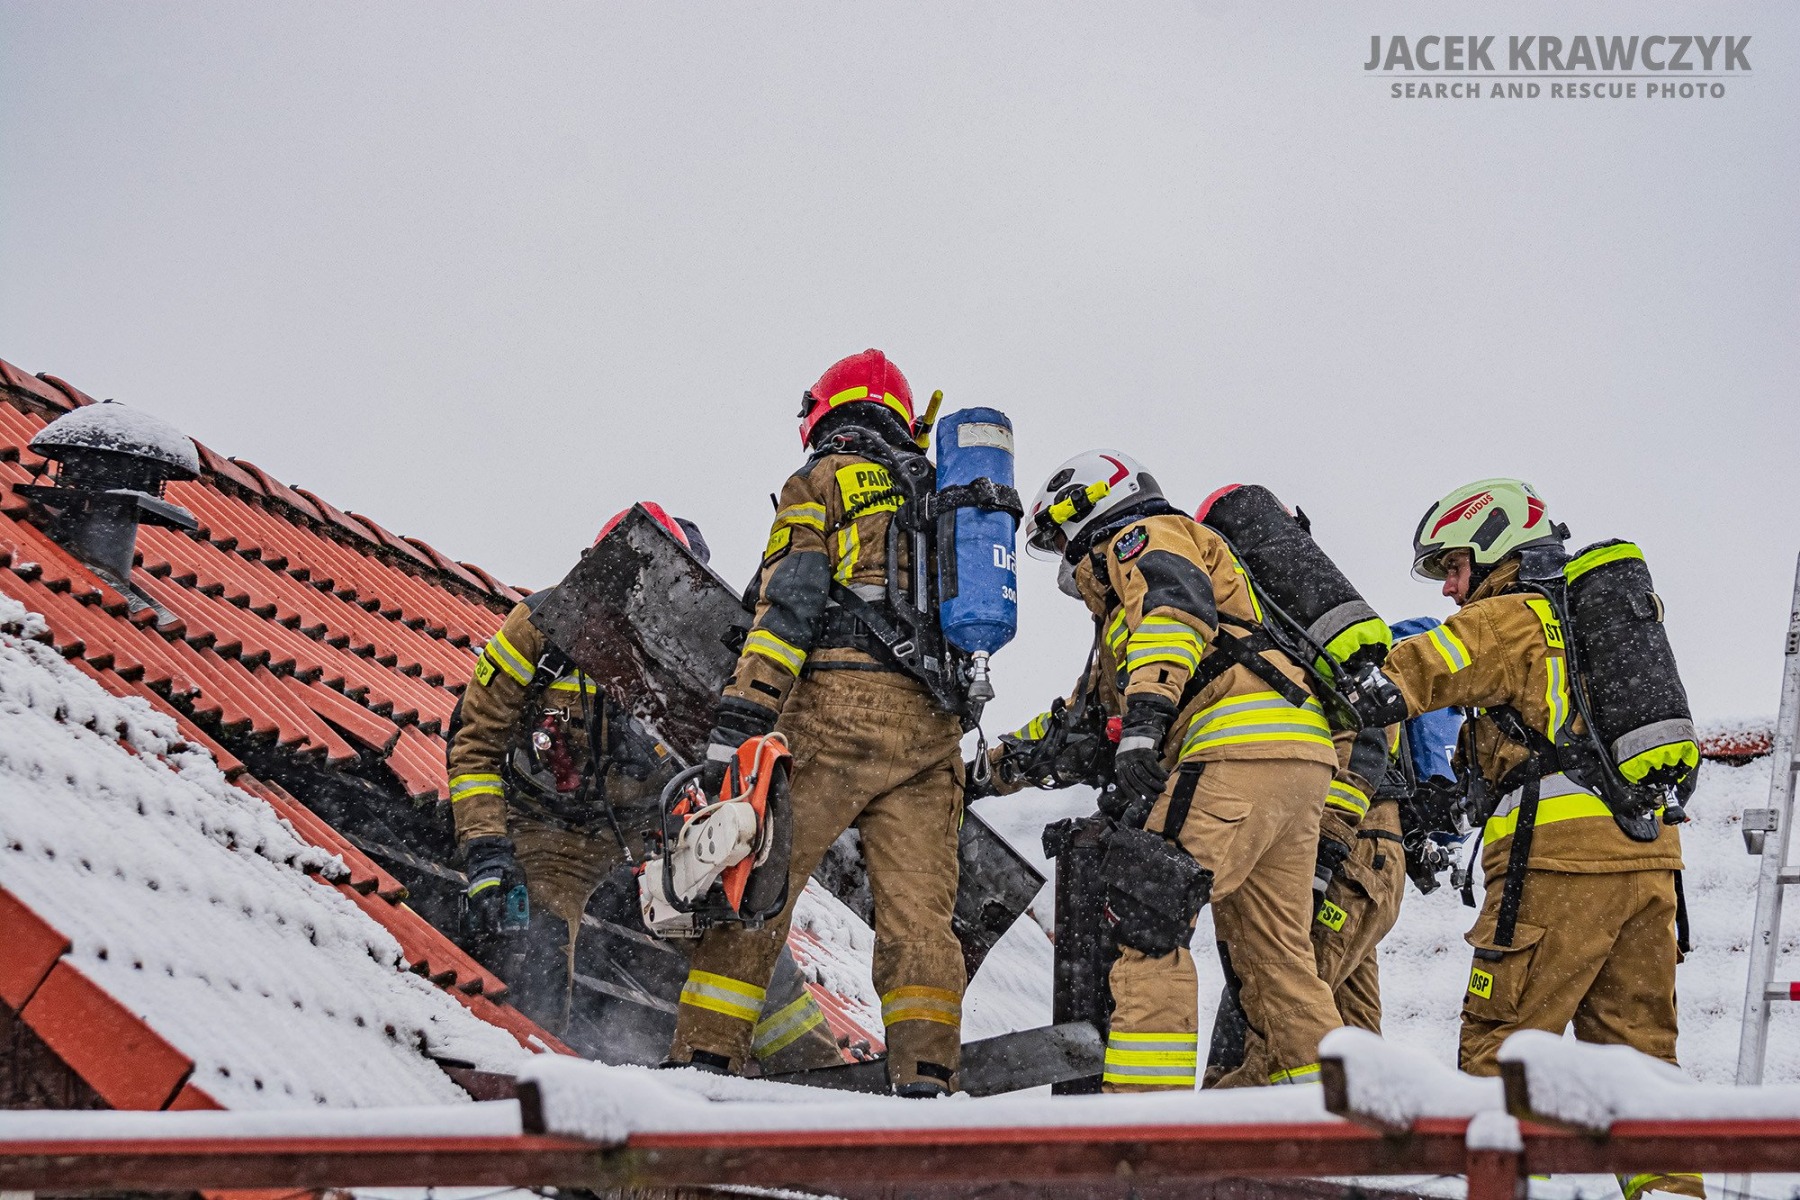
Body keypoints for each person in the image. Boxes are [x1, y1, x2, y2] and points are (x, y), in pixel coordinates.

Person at [1350, 478, 1701, 1200]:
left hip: (1558, 869)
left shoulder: (1510, 616)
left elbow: (1409, 674)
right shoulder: (1587, 622)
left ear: (1493, 547)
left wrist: (1320, 690)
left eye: (1453, 566)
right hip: (1651, 859)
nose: (1450, 589)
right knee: (1642, 1067)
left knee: (1499, 1060)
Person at [664, 349, 968, 1097]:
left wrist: (744, 716)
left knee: (756, 883)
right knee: (922, 921)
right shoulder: (943, 497)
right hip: (933, 732)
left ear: (826, 412)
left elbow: (789, 604)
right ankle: (926, 1077)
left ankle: (705, 1061)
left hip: (835, 710)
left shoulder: (823, 480)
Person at [448, 504, 836, 1070]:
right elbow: (473, 744)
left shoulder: (700, 656)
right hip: (550, 828)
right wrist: (486, 850)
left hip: (653, 831)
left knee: (744, 940)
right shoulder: (539, 628)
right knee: (536, 947)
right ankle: (535, 1077)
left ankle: (822, 1078)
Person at [1007, 449, 1342, 1091]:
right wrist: (992, 768)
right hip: (1299, 761)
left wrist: (1145, 722)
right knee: (1277, 959)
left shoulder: (1143, 536)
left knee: (1147, 918)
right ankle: (1329, 1114)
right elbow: (1077, 725)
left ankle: (1143, 1122)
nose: (1066, 560)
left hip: (1232, 747)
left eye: (1059, 536)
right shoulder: (1120, 620)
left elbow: (1175, 611)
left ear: (1088, 506)